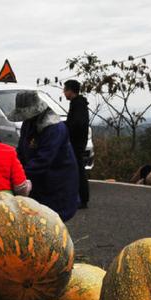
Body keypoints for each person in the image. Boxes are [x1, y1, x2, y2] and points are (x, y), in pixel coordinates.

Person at [11, 91, 79, 221]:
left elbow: (42, 161)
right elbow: (21, 150)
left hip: (57, 182)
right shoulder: (29, 123)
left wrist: (17, 177)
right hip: (38, 182)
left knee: (52, 222)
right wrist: (13, 166)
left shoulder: (54, 128)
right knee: (37, 220)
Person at [63, 79, 90, 209]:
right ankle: (78, 197)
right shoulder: (78, 103)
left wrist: (65, 127)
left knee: (78, 170)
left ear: (70, 91)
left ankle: (83, 199)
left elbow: (77, 123)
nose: (64, 93)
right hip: (78, 141)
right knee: (75, 169)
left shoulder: (78, 104)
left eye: (65, 90)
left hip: (76, 143)